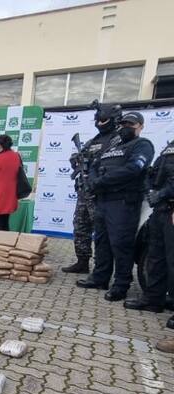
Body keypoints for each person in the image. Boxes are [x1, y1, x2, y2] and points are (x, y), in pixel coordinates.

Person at [77, 111, 155, 302]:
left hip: (123, 202)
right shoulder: (112, 147)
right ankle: (100, 278)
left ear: (140, 127)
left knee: (121, 245)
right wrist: (93, 181)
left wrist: (102, 181)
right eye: (124, 124)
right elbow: (94, 166)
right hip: (103, 200)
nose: (126, 127)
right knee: (102, 242)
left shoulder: (142, 145)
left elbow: (133, 169)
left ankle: (121, 285)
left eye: (131, 124)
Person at [62, 106, 121, 273]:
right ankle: (82, 261)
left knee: (102, 231)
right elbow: (81, 157)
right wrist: (76, 159)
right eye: (98, 120)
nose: (100, 123)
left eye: (103, 120)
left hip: (101, 193)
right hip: (85, 191)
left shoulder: (117, 140)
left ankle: (102, 268)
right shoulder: (94, 140)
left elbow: (113, 163)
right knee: (80, 226)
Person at [124, 140, 174, 322]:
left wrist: (162, 193)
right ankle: (153, 299)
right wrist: (151, 188)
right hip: (160, 210)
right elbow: (156, 173)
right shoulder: (170, 147)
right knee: (155, 257)